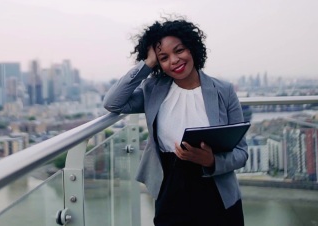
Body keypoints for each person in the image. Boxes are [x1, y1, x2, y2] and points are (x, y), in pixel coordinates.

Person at [103, 17, 248, 225]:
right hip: (170, 186)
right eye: (163, 57)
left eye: (179, 50)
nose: (174, 61)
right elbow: (113, 103)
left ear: (192, 48)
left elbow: (242, 153)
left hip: (216, 189)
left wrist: (211, 161)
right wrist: (147, 63)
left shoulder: (223, 91)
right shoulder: (153, 90)